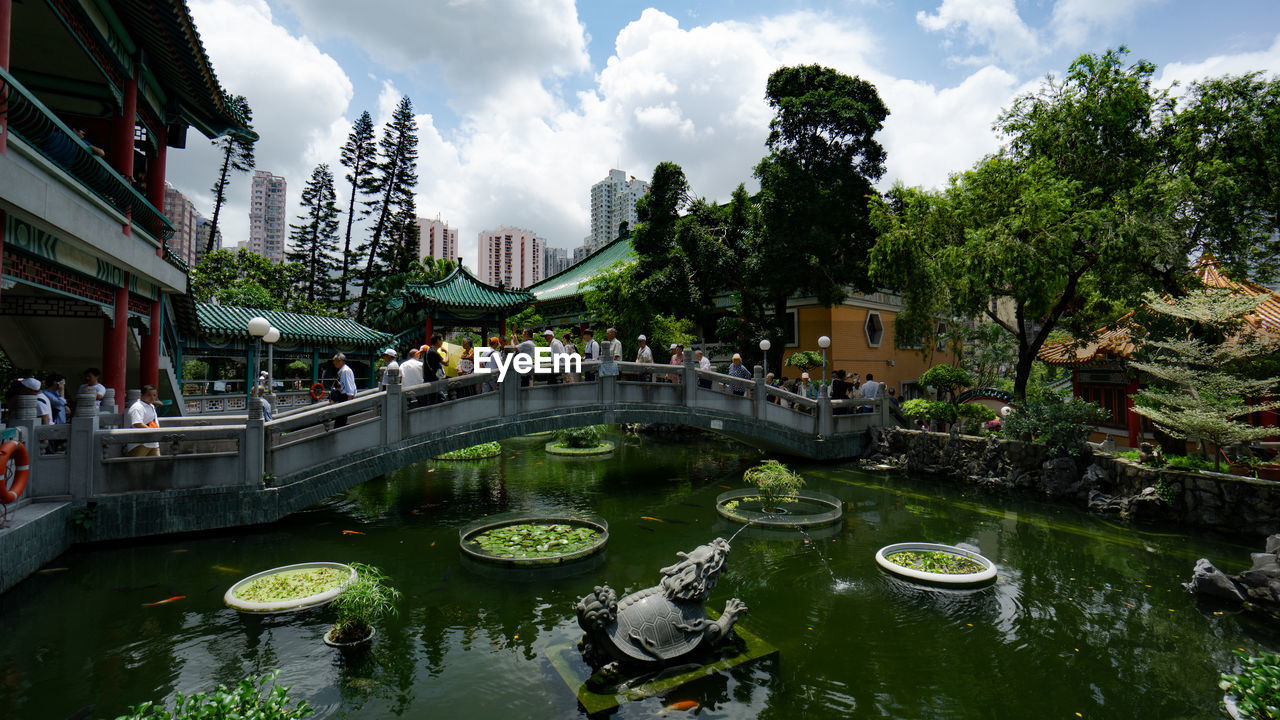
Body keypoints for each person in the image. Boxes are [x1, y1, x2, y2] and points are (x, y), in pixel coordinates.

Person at [125, 384, 160, 457]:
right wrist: (151, 431)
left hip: (153, 442)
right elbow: (137, 423)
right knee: (137, 465)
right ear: (141, 395)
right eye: (149, 395)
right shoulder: (137, 407)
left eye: (154, 395)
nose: (152, 397)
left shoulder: (151, 406)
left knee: (157, 465)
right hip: (140, 443)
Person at [330, 353, 357, 428]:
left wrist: (349, 398)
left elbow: (349, 385)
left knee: (340, 420)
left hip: (344, 397)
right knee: (339, 419)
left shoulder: (345, 371)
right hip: (342, 396)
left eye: (335, 360)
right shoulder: (342, 370)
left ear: (340, 361)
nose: (333, 362)